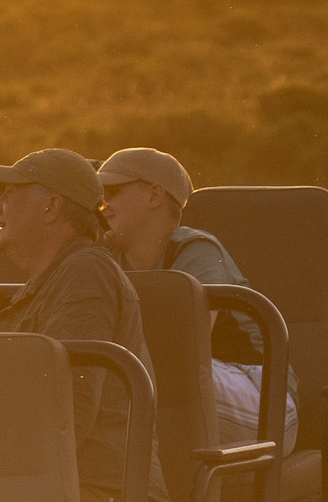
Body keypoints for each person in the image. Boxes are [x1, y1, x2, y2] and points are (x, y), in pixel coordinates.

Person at [0, 147, 171, 502]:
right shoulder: (46, 286)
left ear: (51, 207)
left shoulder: (86, 273)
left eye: (9, 195)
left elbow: (71, 409)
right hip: (64, 496)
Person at [99, 146, 282, 446]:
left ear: (154, 196)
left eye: (112, 192)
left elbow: (184, 350)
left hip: (262, 395)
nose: (103, 205)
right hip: (184, 387)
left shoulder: (196, 251)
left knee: (131, 379)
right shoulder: (107, 258)